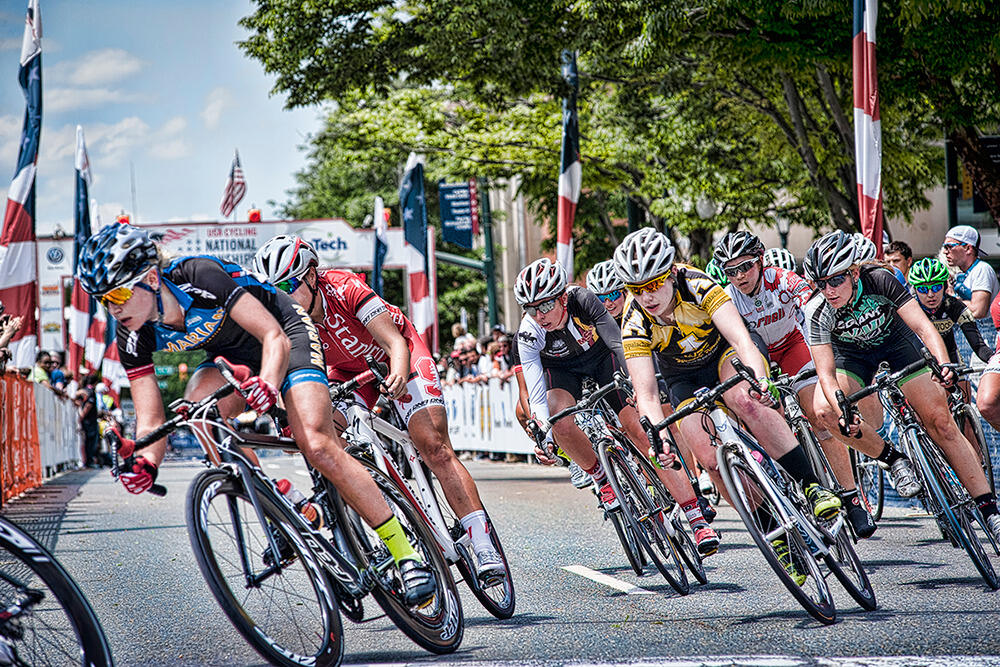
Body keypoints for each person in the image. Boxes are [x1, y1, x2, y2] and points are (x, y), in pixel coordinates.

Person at [77, 223, 437, 606]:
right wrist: (147, 463)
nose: (113, 308)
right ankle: (286, 502)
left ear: (150, 277)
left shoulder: (199, 275)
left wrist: (268, 383)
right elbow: (150, 420)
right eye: (103, 301)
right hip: (233, 358)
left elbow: (273, 338)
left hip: (285, 334)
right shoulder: (132, 335)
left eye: (117, 293)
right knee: (201, 415)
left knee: (315, 443)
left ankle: (405, 554)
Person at [252, 235, 506, 580]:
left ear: (311, 276)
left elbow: (394, 342)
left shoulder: (344, 286)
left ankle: (481, 539)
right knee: (326, 441)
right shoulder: (287, 321)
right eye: (274, 293)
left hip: (398, 355)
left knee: (432, 444)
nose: (282, 298)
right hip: (349, 373)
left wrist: (399, 374)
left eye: (287, 285)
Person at [614, 228, 841, 578]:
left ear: (672, 273)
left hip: (724, 355)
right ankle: (771, 530)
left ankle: (810, 485)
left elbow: (740, 339)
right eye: (636, 290)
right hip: (682, 378)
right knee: (709, 457)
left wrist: (759, 380)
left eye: (654, 284)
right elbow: (645, 394)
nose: (647, 296)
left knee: (745, 400)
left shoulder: (699, 285)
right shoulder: (634, 320)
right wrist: (657, 438)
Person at [512, 256, 721, 556]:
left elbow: (617, 343)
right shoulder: (529, 332)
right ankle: (600, 477)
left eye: (545, 305)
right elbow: (535, 392)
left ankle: (696, 517)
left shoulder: (582, 300)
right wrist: (543, 431)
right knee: (558, 418)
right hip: (562, 371)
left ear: (562, 298)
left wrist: (636, 385)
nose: (539, 314)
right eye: (531, 309)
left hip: (602, 359)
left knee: (639, 428)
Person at [802, 230, 1000, 543]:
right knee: (824, 410)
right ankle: (893, 459)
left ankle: (989, 510)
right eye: (820, 283)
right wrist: (843, 408)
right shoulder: (816, 310)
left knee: (940, 422)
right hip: (852, 357)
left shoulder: (880, 279)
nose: (828, 290)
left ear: (854, 272)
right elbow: (825, 373)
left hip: (896, 345)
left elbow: (923, 327)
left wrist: (944, 363)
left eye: (835, 280)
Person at [713, 231, 875, 537]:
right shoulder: (728, 297)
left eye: (745, 267)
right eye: (730, 271)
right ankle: (789, 488)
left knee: (819, 413)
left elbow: (814, 306)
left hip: (793, 346)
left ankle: (852, 498)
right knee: (762, 413)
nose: (739, 276)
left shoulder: (782, 279)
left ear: (760, 261)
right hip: (758, 356)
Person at [942, 225, 999, 320]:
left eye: (949, 247)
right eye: (944, 247)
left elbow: (978, 311)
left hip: (984, 332)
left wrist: (952, 297)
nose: (945, 252)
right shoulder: (964, 273)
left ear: (968, 248)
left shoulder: (982, 269)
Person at [77, 374, 100, 468]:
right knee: (90, 441)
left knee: (87, 440)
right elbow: (89, 405)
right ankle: (89, 461)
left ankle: (88, 460)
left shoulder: (85, 390)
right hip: (89, 420)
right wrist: (82, 416)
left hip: (87, 420)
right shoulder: (90, 391)